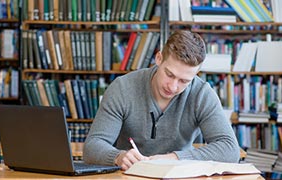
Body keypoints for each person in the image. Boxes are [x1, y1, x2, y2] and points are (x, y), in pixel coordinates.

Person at [83, 30, 240, 170]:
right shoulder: (122, 88)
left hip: (178, 174)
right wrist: (118, 157)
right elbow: (92, 147)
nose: (172, 87)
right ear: (159, 58)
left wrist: (174, 158)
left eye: (184, 81)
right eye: (169, 74)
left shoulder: (202, 94)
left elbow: (230, 149)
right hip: (128, 175)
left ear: (196, 74)